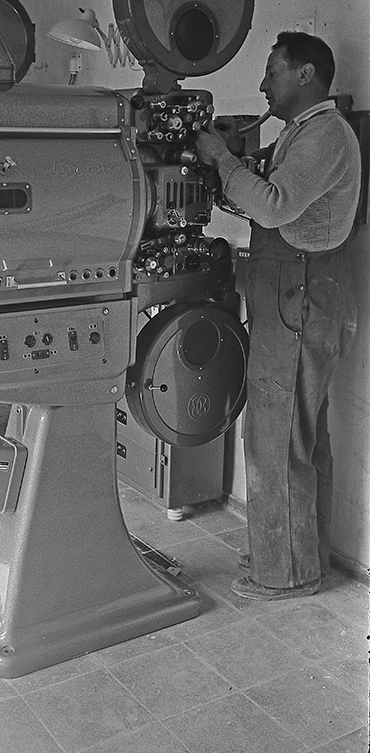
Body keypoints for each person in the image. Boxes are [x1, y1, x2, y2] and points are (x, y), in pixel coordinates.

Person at [195, 31, 360, 601]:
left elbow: (274, 206)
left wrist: (222, 160)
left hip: (301, 292)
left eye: (273, 72)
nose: (264, 84)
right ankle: (300, 558)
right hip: (297, 292)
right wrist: (233, 170)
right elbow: (266, 196)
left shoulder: (325, 135)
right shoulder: (300, 133)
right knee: (299, 437)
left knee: (277, 437)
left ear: (306, 75)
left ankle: (284, 573)